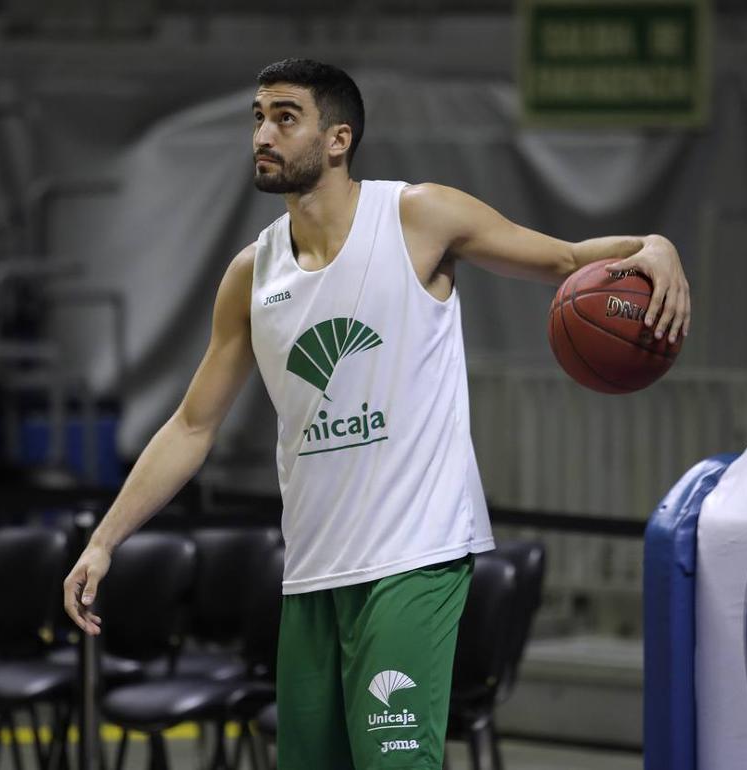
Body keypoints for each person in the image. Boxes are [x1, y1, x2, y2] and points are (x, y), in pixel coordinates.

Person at [63, 58, 690, 769]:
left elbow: (568, 260)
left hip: (413, 560)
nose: (263, 133)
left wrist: (653, 248)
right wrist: (105, 541)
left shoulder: (418, 215)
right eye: (258, 117)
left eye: (285, 117)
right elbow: (192, 426)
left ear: (338, 139)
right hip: (311, 575)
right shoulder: (251, 271)